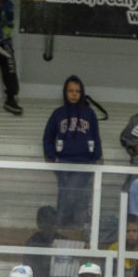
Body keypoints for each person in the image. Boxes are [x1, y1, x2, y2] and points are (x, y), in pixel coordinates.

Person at [42, 76, 101, 231]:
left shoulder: (89, 113)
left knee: (73, 192)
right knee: (66, 192)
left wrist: (96, 157)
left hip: (84, 162)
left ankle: (67, 225)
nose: (74, 94)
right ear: (65, 92)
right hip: (63, 162)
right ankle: (67, 227)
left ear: (82, 93)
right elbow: (48, 137)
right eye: (70, 91)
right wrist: (51, 156)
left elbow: (96, 136)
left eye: (77, 91)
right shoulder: (58, 113)